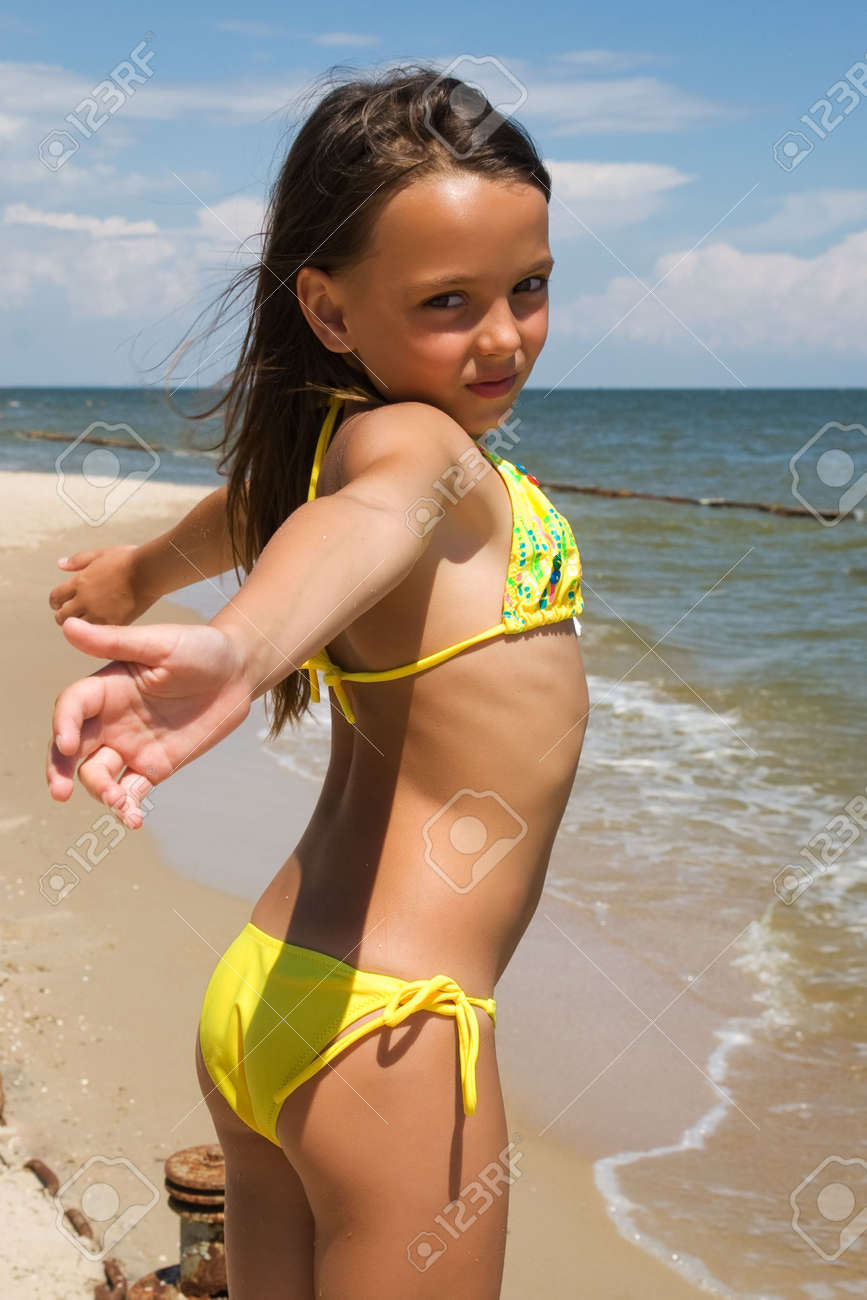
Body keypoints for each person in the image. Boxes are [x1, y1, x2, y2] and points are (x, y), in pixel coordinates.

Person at [45, 64, 590, 1300]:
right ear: (331, 310)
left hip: (274, 995)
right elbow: (373, 517)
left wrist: (141, 570)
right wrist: (239, 645)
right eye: (450, 302)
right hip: (392, 1029)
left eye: (532, 286)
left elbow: (274, 509)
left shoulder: (339, 440)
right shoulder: (420, 446)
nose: (504, 334)